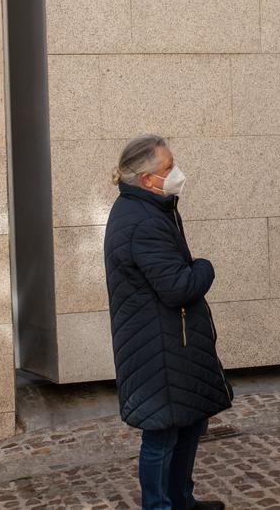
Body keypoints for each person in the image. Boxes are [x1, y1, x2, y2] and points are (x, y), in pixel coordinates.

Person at [104, 134, 232, 510]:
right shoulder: (143, 221)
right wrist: (205, 267)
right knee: (161, 435)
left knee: (188, 423)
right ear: (146, 179)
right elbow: (178, 287)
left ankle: (182, 501)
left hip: (169, 341)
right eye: (168, 168)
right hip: (157, 345)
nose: (177, 173)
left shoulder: (149, 209)